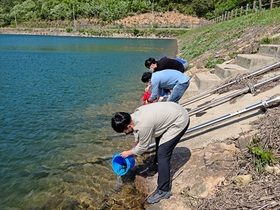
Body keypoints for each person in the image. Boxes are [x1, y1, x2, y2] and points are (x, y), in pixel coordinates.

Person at [111, 102, 190, 204]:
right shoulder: (134, 116)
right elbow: (137, 133)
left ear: (129, 125)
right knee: (159, 140)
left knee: (163, 153)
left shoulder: (144, 125)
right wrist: (134, 147)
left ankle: (164, 190)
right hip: (173, 113)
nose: (125, 133)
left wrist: (129, 153)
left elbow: (144, 146)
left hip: (179, 120)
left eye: (124, 131)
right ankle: (157, 165)